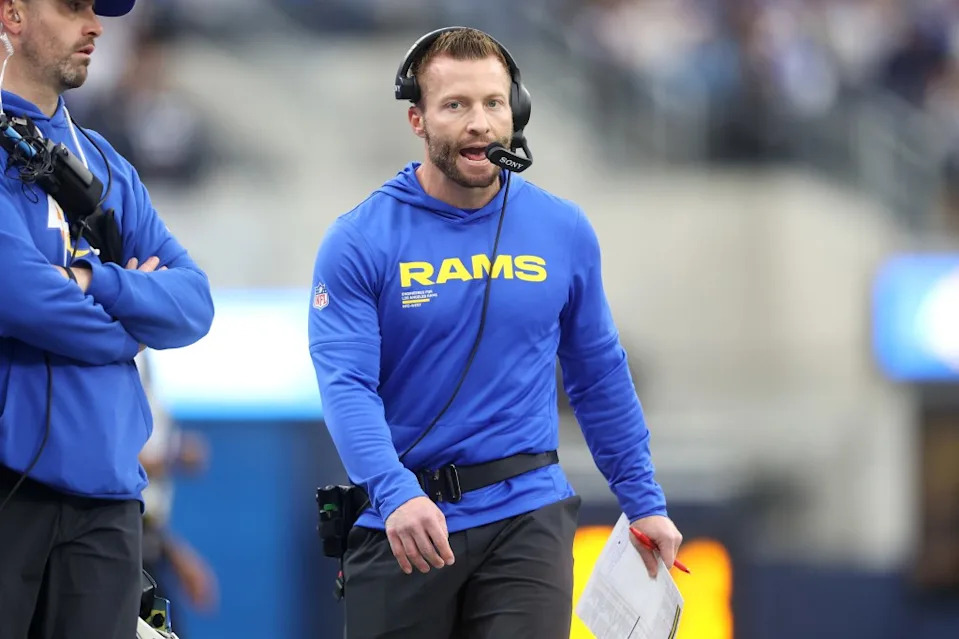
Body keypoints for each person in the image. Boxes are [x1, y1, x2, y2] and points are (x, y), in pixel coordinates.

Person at [308, 26, 682, 639]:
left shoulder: (563, 229)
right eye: (455, 105)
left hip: (526, 515)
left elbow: (598, 373)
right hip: (406, 521)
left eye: (494, 103)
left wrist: (645, 502)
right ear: (417, 120)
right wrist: (395, 493)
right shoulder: (359, 240)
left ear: (517, 111)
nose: (479, 122)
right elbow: (345, 385)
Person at [0, 1, 215, 638]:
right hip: (11, 492)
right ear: (12, 13)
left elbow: (194, 303)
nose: (95, 26)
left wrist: (93, 280)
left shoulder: (107, 164)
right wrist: (129, 322)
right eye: (71, 8)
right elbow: (19, 295)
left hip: (110, 504)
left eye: (99, 10)